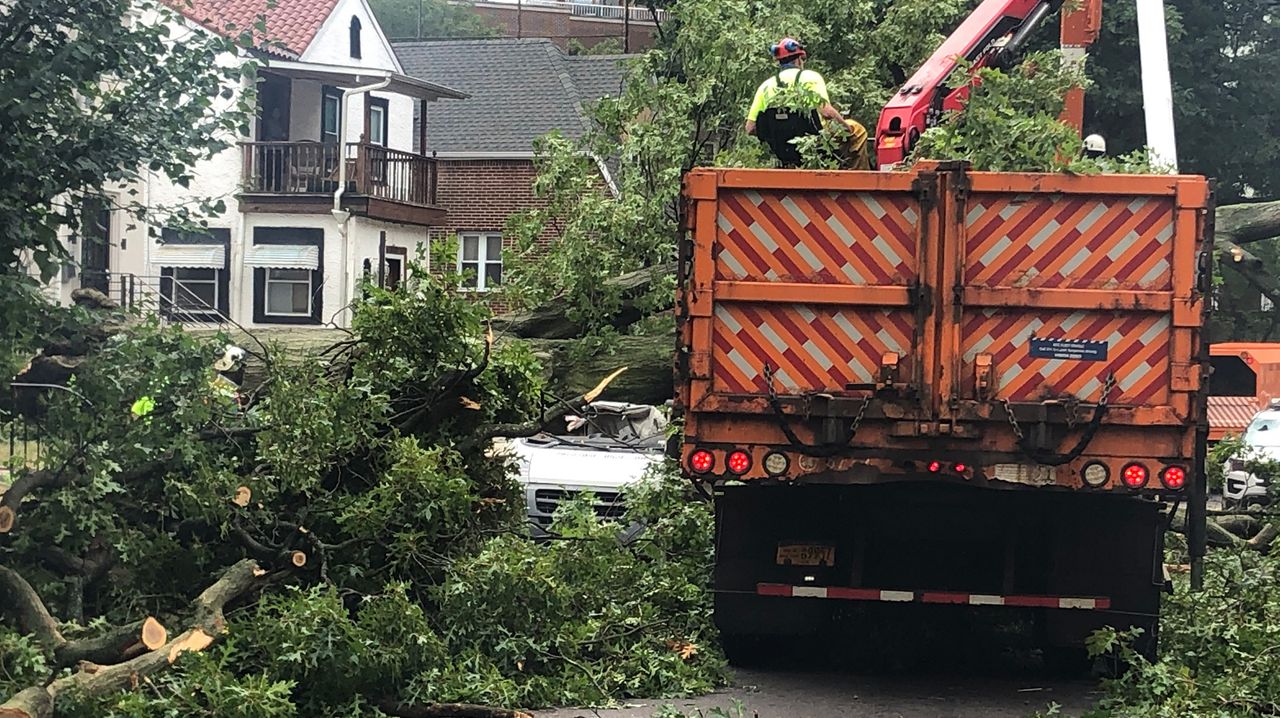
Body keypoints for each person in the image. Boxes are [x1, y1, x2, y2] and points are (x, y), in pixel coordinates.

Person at [746, 37, 845, 167]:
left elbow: (750, 128)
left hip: (783, 153)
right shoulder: (810, 77)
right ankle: (853, 176)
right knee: (858, 132)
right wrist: (846, 128)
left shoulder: (765, 86)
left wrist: (777, 133)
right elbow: (827, 113)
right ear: (799, 60)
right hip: (816, 147)